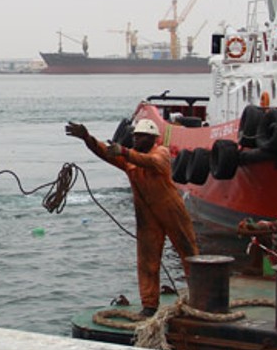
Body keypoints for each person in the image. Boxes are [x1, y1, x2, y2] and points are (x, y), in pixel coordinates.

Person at [65, 117, 199, 317]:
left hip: (172, 211)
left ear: (152, 138)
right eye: (135, 136)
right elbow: (104, 152)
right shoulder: (130, 162)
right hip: (147, 215)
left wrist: (125, 152)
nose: (136, 139)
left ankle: (201, 297)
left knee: (189, 254)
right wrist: (86, 137)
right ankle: (149, 305)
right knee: (147, 261)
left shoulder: (160, 153)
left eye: (141, 136)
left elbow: (151, 162)